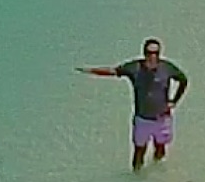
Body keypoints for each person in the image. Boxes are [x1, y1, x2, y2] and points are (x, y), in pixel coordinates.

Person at [78, 38, 188, 170]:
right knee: (139, 150)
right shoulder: (134, 68)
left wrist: (174, 101)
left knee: (160, 147)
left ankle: (157, 175)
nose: (152, 56)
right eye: (149, 53)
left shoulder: (167, 68)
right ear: (144, 53)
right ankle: (136, 178)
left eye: (156, 53)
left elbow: (183, 80)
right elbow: (113, 71)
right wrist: (91, 71)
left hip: (162, 119)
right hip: (142, 119)